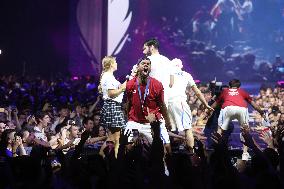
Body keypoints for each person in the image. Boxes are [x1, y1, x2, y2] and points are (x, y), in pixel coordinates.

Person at [209, 79, 266, 159]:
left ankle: (218, 151)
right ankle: (245, 154)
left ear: (229, 86)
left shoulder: (225, 92)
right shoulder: (242, 91)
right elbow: (254, 105)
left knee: (220, 130)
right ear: (239, 87)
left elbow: (215, 104)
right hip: (241, 109)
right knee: (245, 131)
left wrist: (208, 110)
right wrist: (261, 112)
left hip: (227, 108)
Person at [125, 57, 171, 152]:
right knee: (128, 148)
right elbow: (128, 103)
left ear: (150, 68)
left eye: (148, 64)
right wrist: (128, 119)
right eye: (143, 63)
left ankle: (164, 167)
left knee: (166, 148)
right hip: (135, 122)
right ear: (138, 67)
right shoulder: (130, 84)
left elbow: (162, 104)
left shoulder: (157, 84)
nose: (146, 65)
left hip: (152, 123)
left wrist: (168, 121)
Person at [168, 58, 213, 151]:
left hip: (166, 103)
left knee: (166, 130)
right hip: (179, 103)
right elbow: (197, 92)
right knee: (187, 129)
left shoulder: (166, 74)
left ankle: (167, 157)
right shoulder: (186, 75)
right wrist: (206, 104)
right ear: (181, 66)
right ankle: (191, 154)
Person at [98, 56, 127, 158]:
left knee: (112, 137)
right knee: (117, 138)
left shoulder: (109, 76)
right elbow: (111, 94)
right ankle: (115, 162)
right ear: (111, 64)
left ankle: (102, 155)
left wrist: (129, 79)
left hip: (112, 106)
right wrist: (123, 88)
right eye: (115, 62)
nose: (117, 64)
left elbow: (119, 88)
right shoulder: (108, 76)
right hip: (112, 106)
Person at [142, 38, 174, 107]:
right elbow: (171, 83)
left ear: (152, 47)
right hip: (164, 97)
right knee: (162, 117)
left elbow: (141, 77)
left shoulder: (148, 60)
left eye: (147, 47)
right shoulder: (167, 60)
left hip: (151, 96)